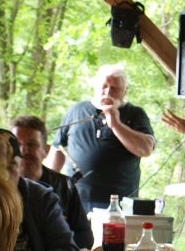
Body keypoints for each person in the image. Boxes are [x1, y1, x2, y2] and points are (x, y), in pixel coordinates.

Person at [47, 64, 155, 211]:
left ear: (125, 91)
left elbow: (146, 149)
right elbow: (57, 148)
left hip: (119, 203)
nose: (108, 92)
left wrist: (116, 124)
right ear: (95, 86)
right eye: (104, 86)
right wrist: (46, 187)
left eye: (115, 88)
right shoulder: (76, 111)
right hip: (75, 199)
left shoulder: (135, 114)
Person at [11, 115, 93, 249]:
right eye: (18, 145)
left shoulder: (65, 186)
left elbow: (84, 237)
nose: (23, 151)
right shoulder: (2, 187)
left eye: (31, 144)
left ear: (46, 150)